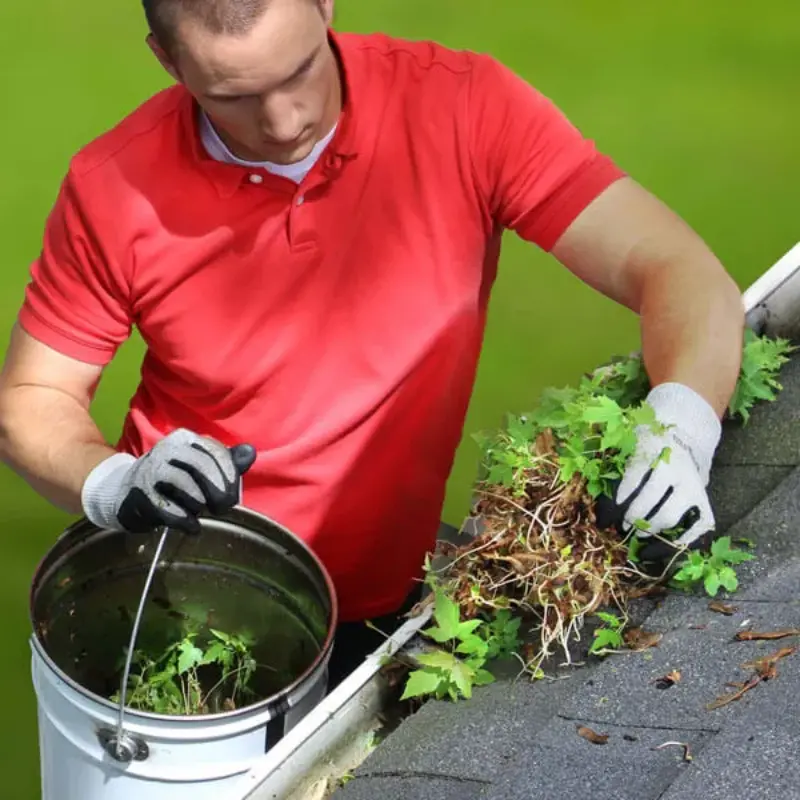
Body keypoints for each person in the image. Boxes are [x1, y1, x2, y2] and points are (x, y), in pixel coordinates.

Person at [0, 0, 744, 688]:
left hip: (391, 598)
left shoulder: (462, 106)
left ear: (325, 4)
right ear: (167, 60)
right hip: (179, 604)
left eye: (298, 70)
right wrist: (113, 483)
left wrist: (682, 421)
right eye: (231, 96)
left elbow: (676, 269)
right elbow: (34, 400)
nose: (284, 119)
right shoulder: (112, 185)